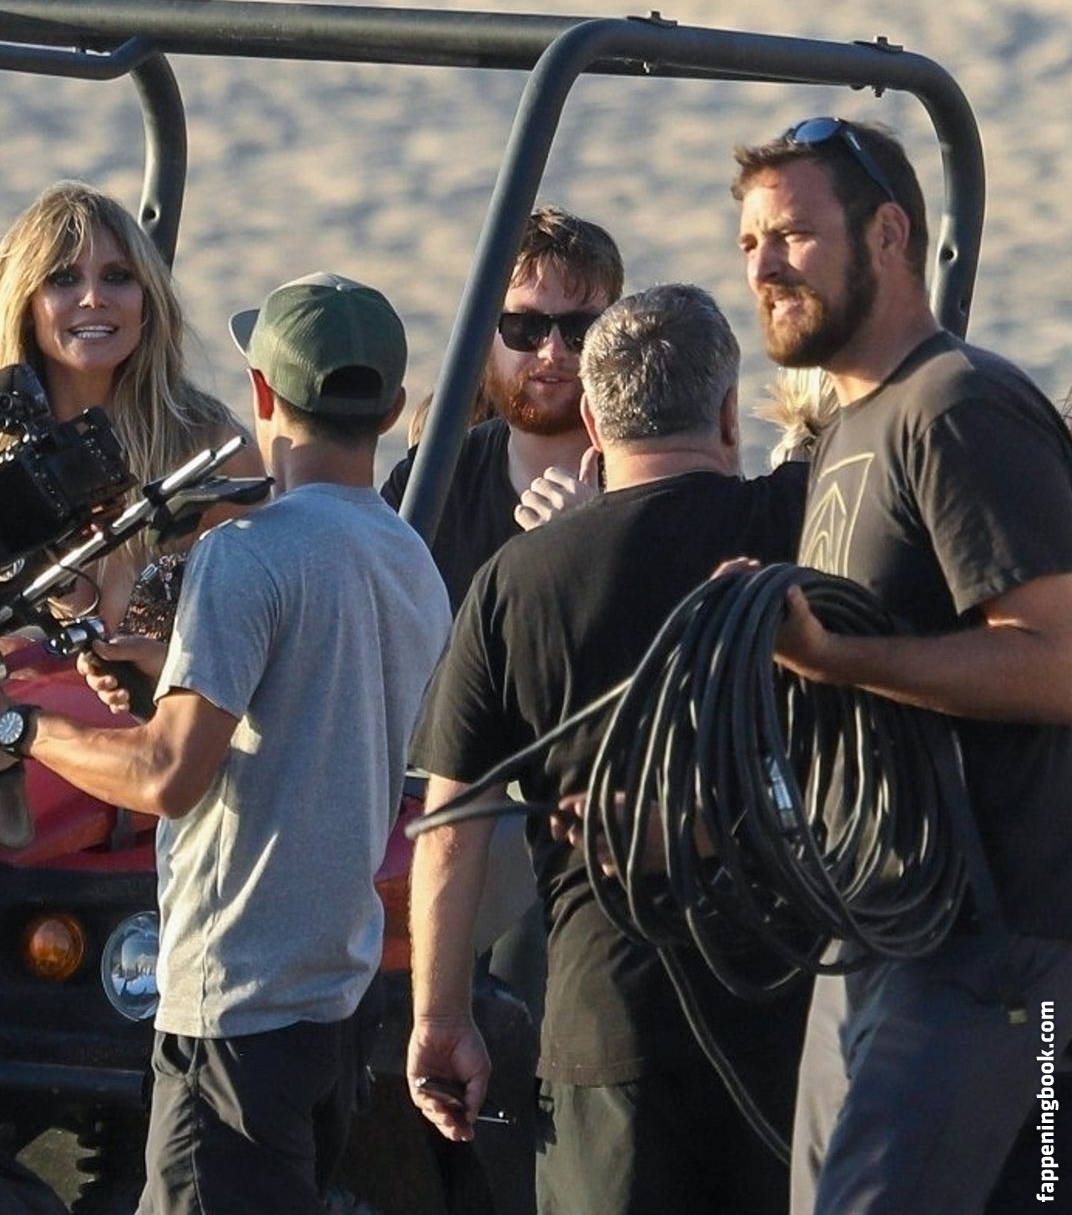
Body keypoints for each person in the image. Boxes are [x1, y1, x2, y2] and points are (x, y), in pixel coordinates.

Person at [0, 273, 447, 1215]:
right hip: (337, 1002)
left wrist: (17, 728)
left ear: (262, 393)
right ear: (389, 409)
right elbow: (308, 719)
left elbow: (167, 776)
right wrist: (163, 679)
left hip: (236, 1013)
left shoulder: (245, 554)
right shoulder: (408, 557)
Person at [408, 284, 811, 1215]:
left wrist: (441, 1018)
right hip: (794, 1007)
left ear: (591, 422)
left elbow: (451, 827)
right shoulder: (799, 526)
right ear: (727, 414)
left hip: (605, 1024)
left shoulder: (518, 580)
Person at [733, 117, 1072, 1214]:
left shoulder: (957, 404)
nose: (764, 267)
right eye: (749, 244)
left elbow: (1059, 661)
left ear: (888, 233)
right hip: (874, 930)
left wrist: (838, 655)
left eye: (792, 234)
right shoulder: (847, 429)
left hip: (983, 951)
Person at [0, 180, 263, 632]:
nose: (94, 298)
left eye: (117, 276)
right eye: (63, 279)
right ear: (26, 305)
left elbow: (261, 629)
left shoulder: (212, 449)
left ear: (148, 299)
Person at [382, 204, 623, 607]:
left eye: (580, 329)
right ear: (485, 333)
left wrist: (595, 548)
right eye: (525, 327)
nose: (552, 350)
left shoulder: (651, 475)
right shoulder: (431, 481)